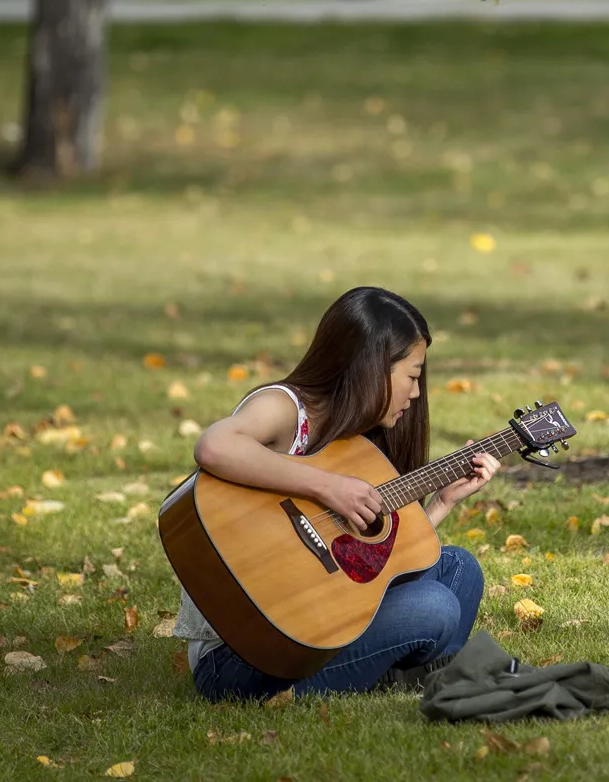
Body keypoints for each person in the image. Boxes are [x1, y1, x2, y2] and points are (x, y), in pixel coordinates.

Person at [172, 286, 500, 702]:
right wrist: (330, 487)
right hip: (242, 658)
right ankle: (329, 686)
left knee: (459, 568)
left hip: (314, 625)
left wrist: (441, 503)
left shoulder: (356, 439)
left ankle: (404, 679)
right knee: (434, 606)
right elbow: (214, 447)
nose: (417, 394)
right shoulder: (286, 408)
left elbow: (366, 567)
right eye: (413, 376)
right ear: (373, 367)